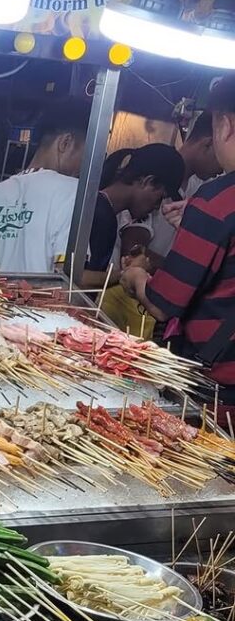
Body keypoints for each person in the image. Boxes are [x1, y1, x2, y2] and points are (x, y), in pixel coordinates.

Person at [121, 74, 235, 422]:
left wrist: (137, 276)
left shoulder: (217, 201)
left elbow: (161, 304)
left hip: (219, 397)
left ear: (225, 124)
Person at [0, 102, 88, 273]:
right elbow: (65, 275)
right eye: (85, 156)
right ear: (65, 143)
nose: (83, 167)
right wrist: (117, 276)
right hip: (32, 300)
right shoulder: (75, 193)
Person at [119, 113, 222, 265]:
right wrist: (180, 269)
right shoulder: (155, 174)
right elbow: (133, 253)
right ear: (208, 144)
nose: (223, 167)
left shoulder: (200, 188)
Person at [83, 143, 184, 288]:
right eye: (160, 197)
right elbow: (77, 277)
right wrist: (128, 273)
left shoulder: (103, 208)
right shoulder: (99, 213)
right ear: (147, 181)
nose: (156, 207)